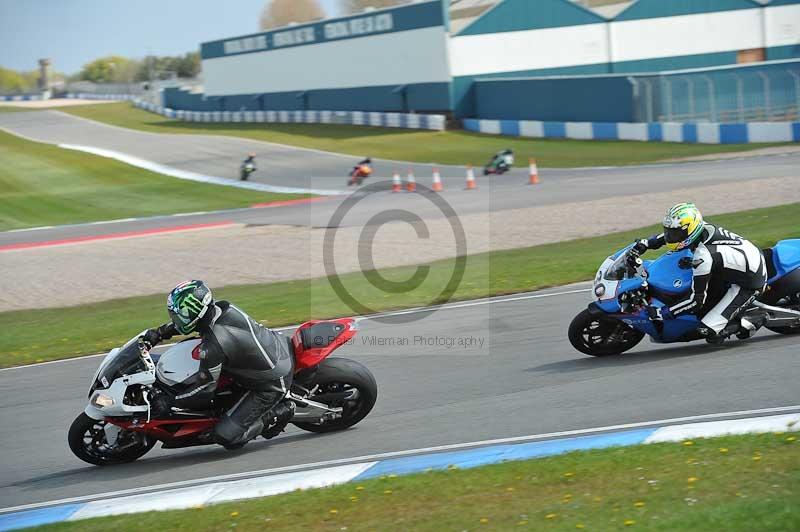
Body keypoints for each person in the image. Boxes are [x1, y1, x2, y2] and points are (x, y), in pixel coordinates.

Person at [141, 280, 295, 447]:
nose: (177, 319)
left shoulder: (214, 345)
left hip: (271, 384)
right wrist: (160, 333)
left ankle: (279, 412)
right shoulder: (221, 308)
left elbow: (205, 389)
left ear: (197, 312)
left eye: (182, 314)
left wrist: (170, 402)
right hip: (274, 349)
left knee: (225, 436)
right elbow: (189, 323)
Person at [628, 203, 767, 340]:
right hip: (739, 262)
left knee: (708, 331)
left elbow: (695, 301)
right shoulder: (701, 228)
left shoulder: (703, 255)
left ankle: (755, 319)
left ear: (690, 230)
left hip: (750, 283)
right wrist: (646, 243)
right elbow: (668, 237)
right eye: (669, 231)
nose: (670, 236)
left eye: (675, 233)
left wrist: (663, 313)